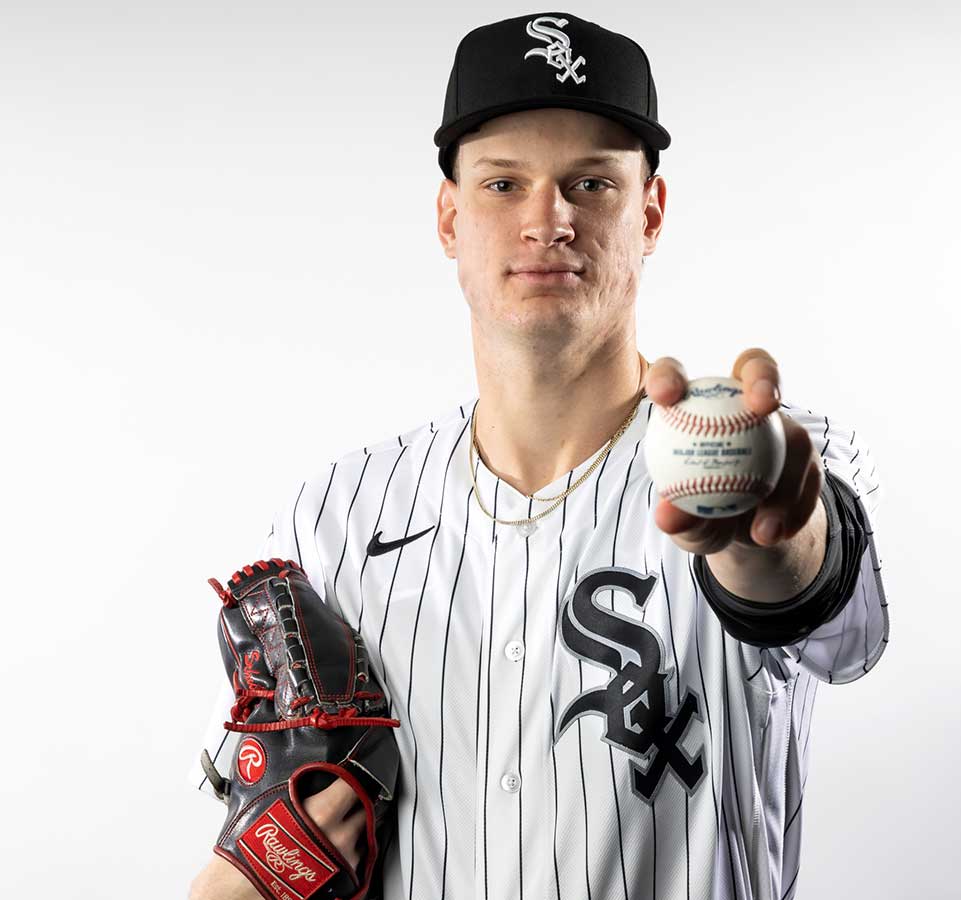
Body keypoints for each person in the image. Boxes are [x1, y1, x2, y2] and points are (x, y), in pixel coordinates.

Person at [188, 12, 890, 900]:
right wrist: (253, 870)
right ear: (449, 217)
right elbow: (255, 846)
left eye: (591, 183)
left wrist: (773, 544)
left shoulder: (773, 458)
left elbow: (824, 609)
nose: (547, 219)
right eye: (503, 184)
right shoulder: (335, 512)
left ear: (651, 212)